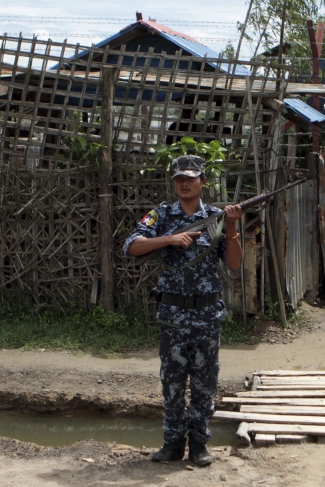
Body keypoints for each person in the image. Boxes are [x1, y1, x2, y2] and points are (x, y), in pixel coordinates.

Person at [123, 155, 243, 467]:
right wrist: (170, 239)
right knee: (172, 384)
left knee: (205, 384)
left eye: (190, 178)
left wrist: (230, 226)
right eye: (179, 179)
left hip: (206, 317)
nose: (184, 183)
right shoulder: (161, 214)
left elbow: (233, 264)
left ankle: (200, 445)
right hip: (173, 315)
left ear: (203, 181)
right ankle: (172, 445)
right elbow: (131, 246)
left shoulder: (216, 216)